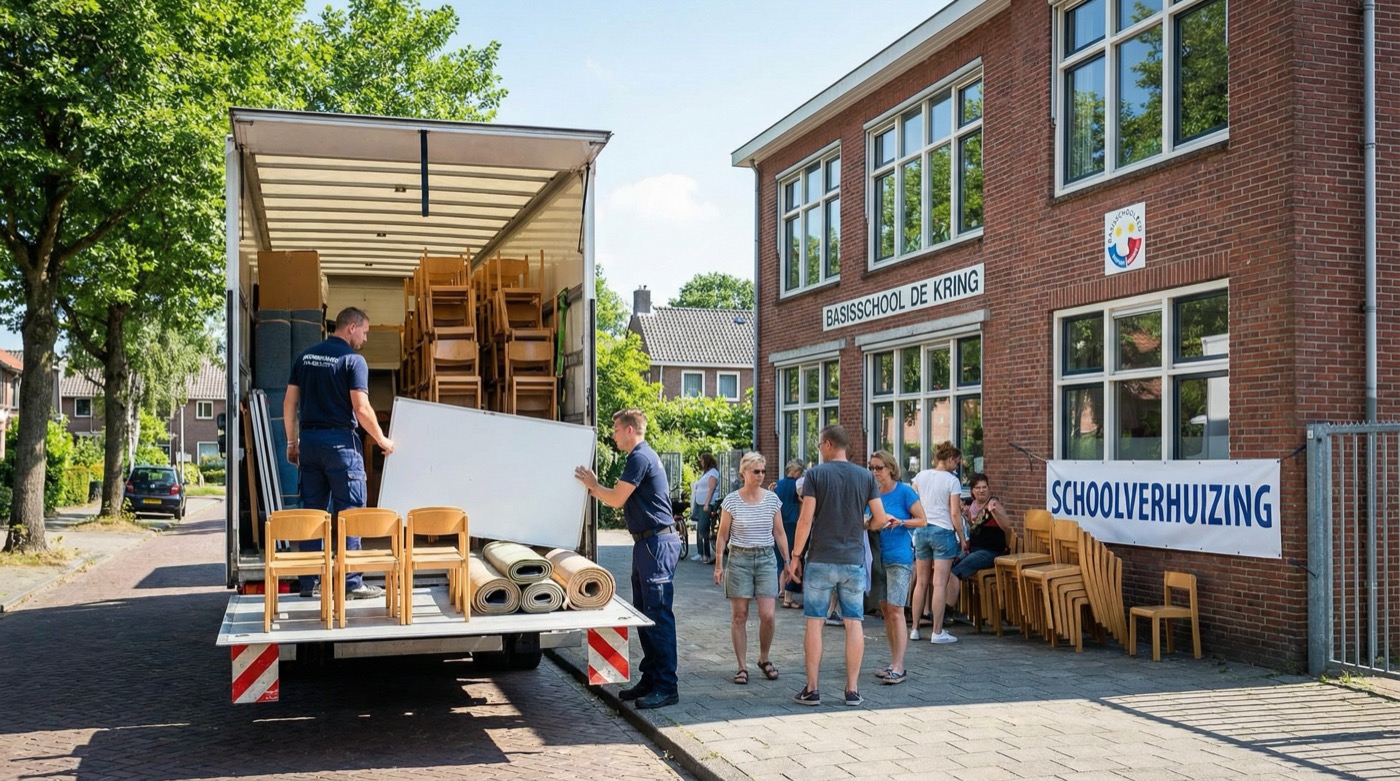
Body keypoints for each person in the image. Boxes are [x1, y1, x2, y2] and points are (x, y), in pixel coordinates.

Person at [283, 306, 393, 600]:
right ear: (351, 328)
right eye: (366, 332)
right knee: (350, 515)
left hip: (309, 442)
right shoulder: (353, 361)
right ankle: (351, 583)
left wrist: (292, 443)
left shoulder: (304, 357)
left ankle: (310, 583)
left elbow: (289, 403)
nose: (366, 340)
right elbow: (361, 408)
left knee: (312, 514)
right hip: (341, 446)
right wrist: (383, 440)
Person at [575, 409, 680, 710]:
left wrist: (593, 485)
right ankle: (651, 679)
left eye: (617, 429)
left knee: (658, 616)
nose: (613, 434)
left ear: (631, 430)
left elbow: (617, 498)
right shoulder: (641, 457)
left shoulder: (639, 458)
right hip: (647, 544)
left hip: (655, 544)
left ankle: (666, 686)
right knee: (646, 616)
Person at [784, 424, 890, 708]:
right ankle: (852, 690)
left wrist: (795, 556)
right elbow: (879, 519)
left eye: (820, 445)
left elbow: (805, 520)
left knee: (815, 622)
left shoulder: (816, 475)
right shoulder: (865, 476)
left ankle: (813, 688)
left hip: (820, 558)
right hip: (853, 560)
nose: (820, 450)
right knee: (853, 622)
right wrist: (865, 524)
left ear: (829, 445)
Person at [713, 452, 788, 685]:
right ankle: (741, 666)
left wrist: (788, 561)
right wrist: (718, 564)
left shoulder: (772, 499)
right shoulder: (732, 500)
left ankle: (764, 658)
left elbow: (779, 532)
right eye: (756, 471)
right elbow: (723, 534)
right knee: (739, 615)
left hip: (766, 558)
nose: (761, 475)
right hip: (739, 559)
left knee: (768, 615)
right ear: (743, 472)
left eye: (763, 471)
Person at [867, 449, 926, 685]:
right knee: (886, 611)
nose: (875, 472)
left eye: (879, 468)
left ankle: (900, 667)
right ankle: (893, 662)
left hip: (899, 557)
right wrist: (874, 522)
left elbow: (923, 520)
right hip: (877, 556)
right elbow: (866, 520)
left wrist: (900, 521)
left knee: (897, 610)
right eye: (872, 468)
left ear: (891, 468)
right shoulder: (872, 493)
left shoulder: (904, 492)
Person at [910, 442, 967, 645]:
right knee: (939, 583)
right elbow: (954, 512)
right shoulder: (952, 481)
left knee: (921, 582)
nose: (956, 466)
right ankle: (937, 631)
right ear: (950, 459)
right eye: (956, 462)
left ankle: (915, 629)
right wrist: (961, 537)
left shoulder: (921, 476)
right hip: (943, 531)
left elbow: (912, 499)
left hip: (922, 530)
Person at [946, 472, 1012, 614]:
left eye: (984, 487)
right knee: (948, 565)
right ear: (972, 491)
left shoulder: (993, 504)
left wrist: (995, 513)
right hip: (974, 549)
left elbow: (1007, 527)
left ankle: (946, 611)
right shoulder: (972, 506)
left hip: (992, 551)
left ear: (989, 488)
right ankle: (948, 607)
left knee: (955, 572)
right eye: (978, 488)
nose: (981, 490)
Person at [772, 460, 805, 609]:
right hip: (793, 523)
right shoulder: (798, 485)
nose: (801, 474)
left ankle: (781, 590)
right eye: (800, 471)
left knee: (781, 558)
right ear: (795, 471)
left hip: (778, 524)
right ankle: (788, 596)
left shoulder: (778, 485)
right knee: (793, 557)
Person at [690, 453, 721, 564]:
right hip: (700, 502)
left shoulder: (713, 473)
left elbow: (711, 489)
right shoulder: (705, 473)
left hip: (705, 504)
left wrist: (707, 503)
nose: (701, 462)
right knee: (700, 528)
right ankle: (701, 552)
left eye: (702, 460)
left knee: (703, 528)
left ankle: (707, 554)